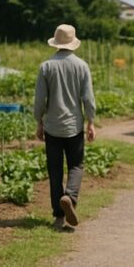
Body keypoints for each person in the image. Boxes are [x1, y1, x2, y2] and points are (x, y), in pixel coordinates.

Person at [34, 24, 97, 232]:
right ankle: (69, 196)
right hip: (74, 126)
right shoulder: (82, 66)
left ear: (56, 43)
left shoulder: (46, 66)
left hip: (53, 126)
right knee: (76, 166)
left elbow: (40, 99)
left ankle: (59, 217)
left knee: (54, 170)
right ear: (73, 43)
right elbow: (87, 98)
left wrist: (39, 121)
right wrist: (91, 121)